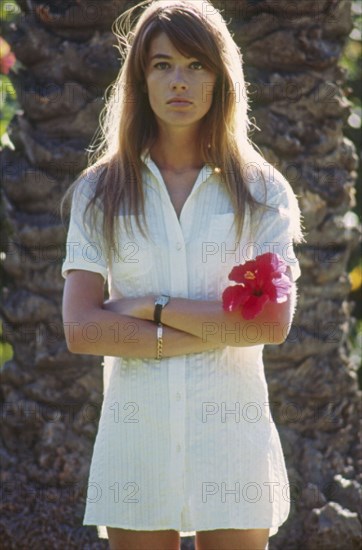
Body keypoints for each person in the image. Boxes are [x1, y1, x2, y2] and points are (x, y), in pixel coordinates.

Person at [61, 1, 305, 548]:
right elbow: (82, 330)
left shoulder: (264, 192)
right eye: (162, 64)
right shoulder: (99, 192)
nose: (179, 81)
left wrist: (151, 308)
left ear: (221, 78)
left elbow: (270, 325)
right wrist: (217, 328)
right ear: (140, 78)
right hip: (136, 448)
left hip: (233, 448)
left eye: (197, 66)